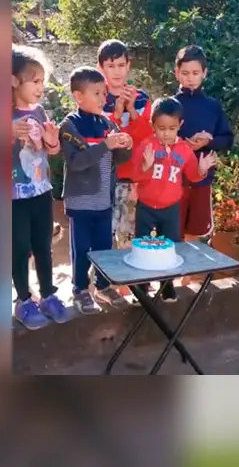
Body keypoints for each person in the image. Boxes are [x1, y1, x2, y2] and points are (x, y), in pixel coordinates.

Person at [59, 67, 133, 314]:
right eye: (97, 93)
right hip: (81, 203)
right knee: (81, 250)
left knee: (104, 247)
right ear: (78, 97)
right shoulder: (70, 126)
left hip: (104, 200)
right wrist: (105, 145)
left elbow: (118, 159)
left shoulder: (106, 123)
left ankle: (102, 285)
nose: (104, 99)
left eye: (104, 94)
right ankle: (80, 289)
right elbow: (77, 163)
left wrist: (126, 145)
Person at [132, 98, 217, 301]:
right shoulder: (146, 146)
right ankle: (142, 286)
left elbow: (193, 176)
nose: (167, 133)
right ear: (153, 125)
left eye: (172, 128)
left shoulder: (185, 150)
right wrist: (146, 165)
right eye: (161, 128)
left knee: (170, 247)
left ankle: (167, 285)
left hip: (171, 208)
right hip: (146, 206)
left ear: (180, 125)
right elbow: (136, 175)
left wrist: (202, 169)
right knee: (143, 246)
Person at [11, 45, 68, 328]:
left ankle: (48, 295)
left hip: (41, 190)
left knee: (43, 245)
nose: (41, 88)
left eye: (42, 82)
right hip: (13, 196)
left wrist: (52, 139)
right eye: (35, 81)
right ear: (13, 81)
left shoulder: (40, 112)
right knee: (19, 247)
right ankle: (23, 301)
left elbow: (52, 151)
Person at [172, 45, 234, 244]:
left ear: (204, 73)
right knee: (173, 230)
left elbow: (227, 139)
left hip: (202, 180)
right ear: (176, 73)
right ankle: (170, 275)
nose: (190, 78)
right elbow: (158, 138)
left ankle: (188, 276)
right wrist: (184, 145)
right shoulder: (169, 105)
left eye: (195, 73)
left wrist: (209, 141)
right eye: (185, 73)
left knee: (195, 231)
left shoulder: (212, 107)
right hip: (173, 178)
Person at [98, 40, 152, 249]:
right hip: (104, 176)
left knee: (130, 235)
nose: (117, 71)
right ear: (100, 68)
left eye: (121, 65)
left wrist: (133, 111)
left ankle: (128, 282)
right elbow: (99, 135)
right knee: (104, 235)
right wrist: (118, 113)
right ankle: (103, 281)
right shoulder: (96, 97)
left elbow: (147, 138)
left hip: (133, 178)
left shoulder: (142, 98)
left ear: (129, 65)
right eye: (111, 66)